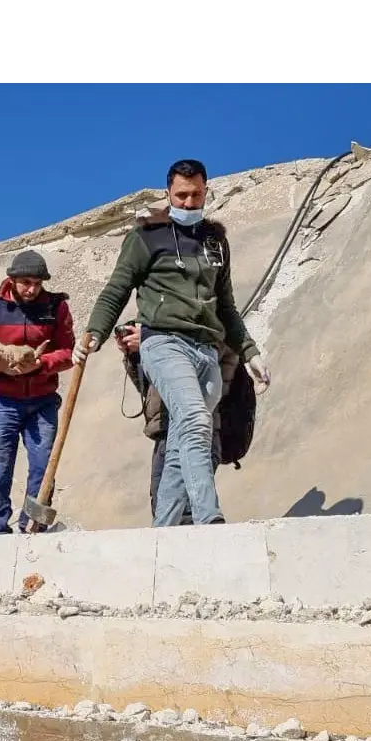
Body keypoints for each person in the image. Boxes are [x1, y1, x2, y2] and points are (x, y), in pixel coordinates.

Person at [80, 158, 271, 527]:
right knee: (196, 421)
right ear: (168, 193)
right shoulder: (145, 236)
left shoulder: (216, 242)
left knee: (182, 445)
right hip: (164, 342)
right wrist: (95, 332)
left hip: (208, 351)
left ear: (206, 192)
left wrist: (250, 351)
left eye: (196, 195)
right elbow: (116, 289)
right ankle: (208, 518)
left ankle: (163, 530)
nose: (188, 202)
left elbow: (227, 306)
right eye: (181, 195)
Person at [0, 250, 77, 534]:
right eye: (25, 282)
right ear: (11, 279)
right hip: (0, 399)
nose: (32, 289)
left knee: (43, 466)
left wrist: (40, 365)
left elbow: (67, 352)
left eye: (37, 283)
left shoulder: (56, 307)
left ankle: (33, 527)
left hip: (42, 400)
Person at [114, 320, 246, 523]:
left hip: (198, 433)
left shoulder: (211, 326)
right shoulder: (160, 334)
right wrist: (136, 355)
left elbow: (208, 376)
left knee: (186, 514)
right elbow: (149, 391)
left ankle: (209, 522)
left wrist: (153, 339)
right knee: (162, 508)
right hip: (165, 434)